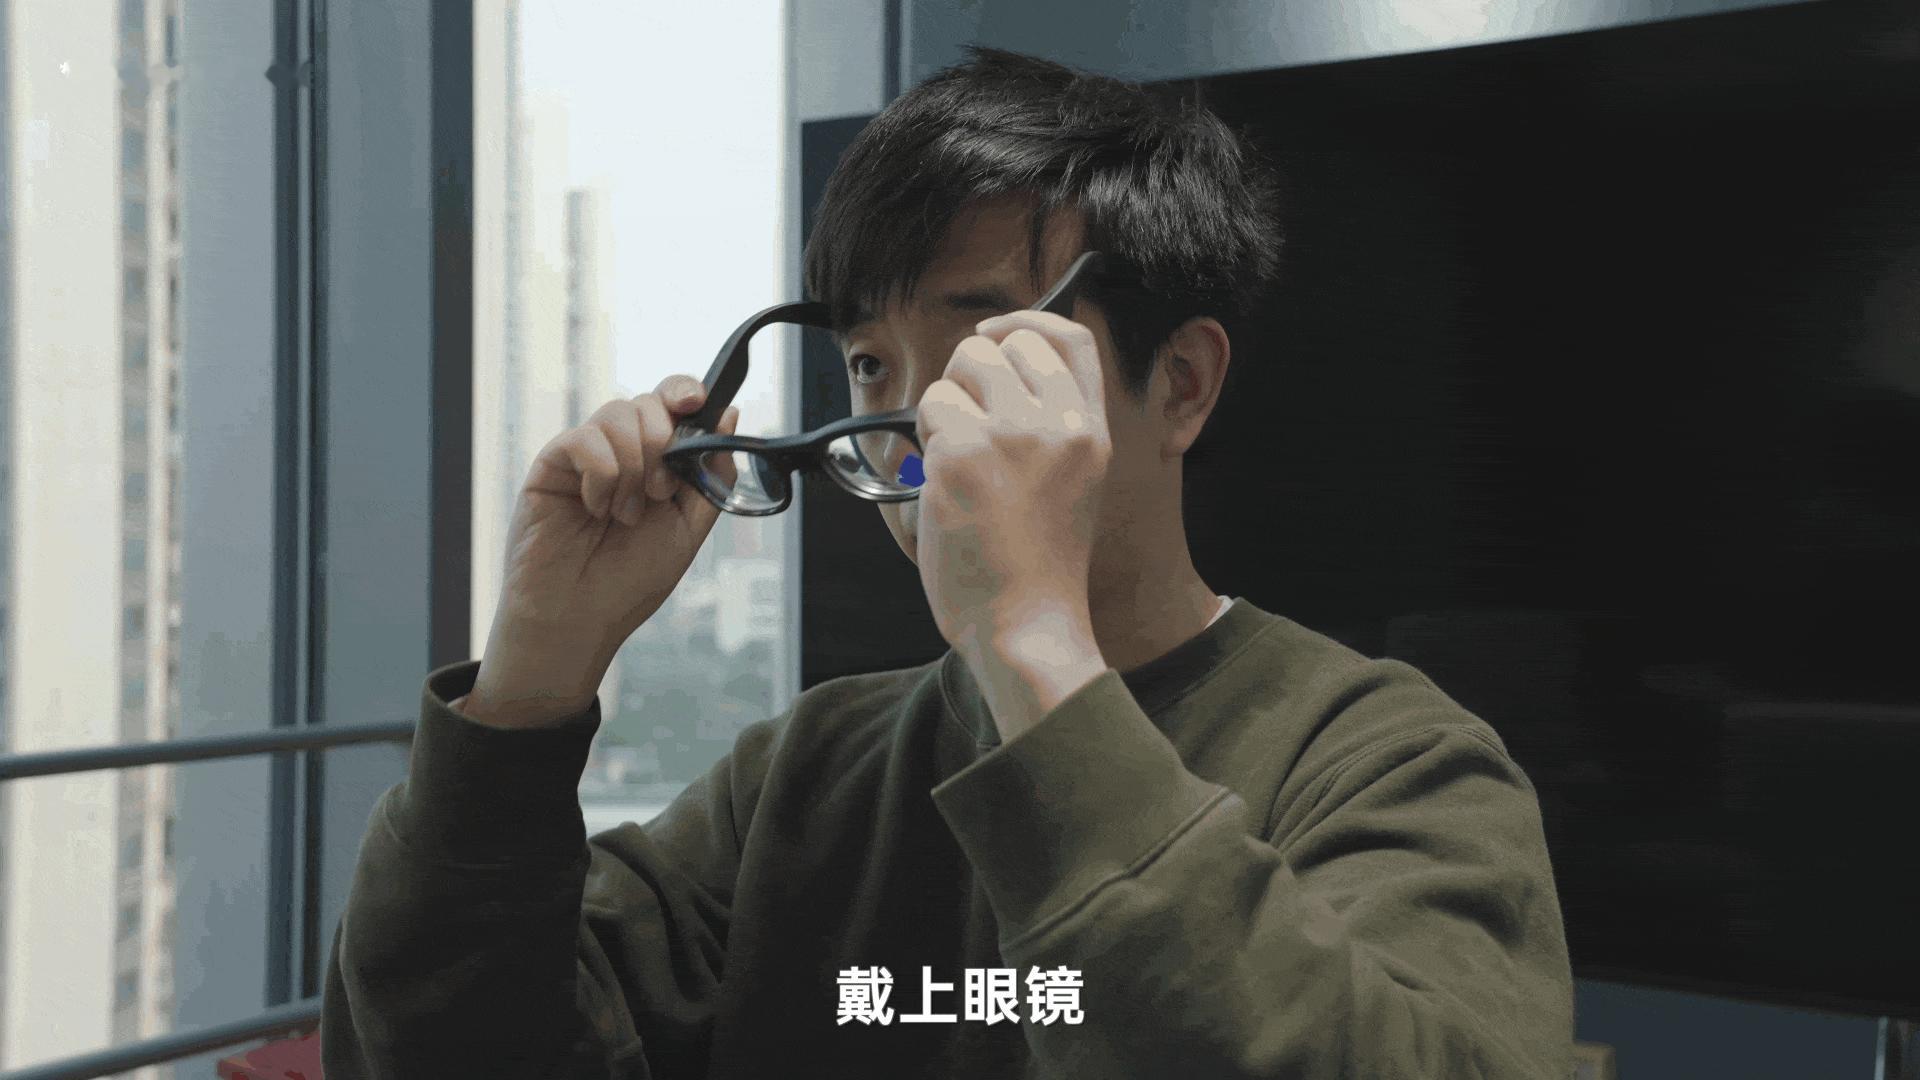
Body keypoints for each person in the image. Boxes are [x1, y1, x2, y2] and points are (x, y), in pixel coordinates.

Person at [321, 47, 1575, 1079]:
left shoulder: (1389, 763)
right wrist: (532, 686)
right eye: (871, 364)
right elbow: (438, 1053)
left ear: (1181, 383)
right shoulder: (808, 777)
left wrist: (1033, 646)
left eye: (986, 352)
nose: (913, 425)